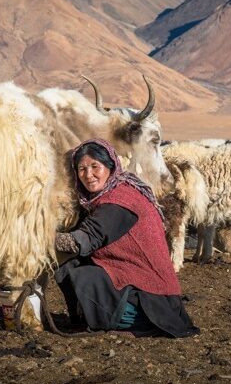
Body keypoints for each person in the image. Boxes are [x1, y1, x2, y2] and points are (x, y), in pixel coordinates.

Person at [54, 138, 199, 337]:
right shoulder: (117, 190)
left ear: (111, 166)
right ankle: (90, 317)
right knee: (72, 266)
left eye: (95, 166)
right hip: (143, 282)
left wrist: (39, 238)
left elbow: (83, 240)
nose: (88, 175)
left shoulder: (119, 202)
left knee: (83, 274)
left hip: (153, 299)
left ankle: (124, 321)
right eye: (81, 169)